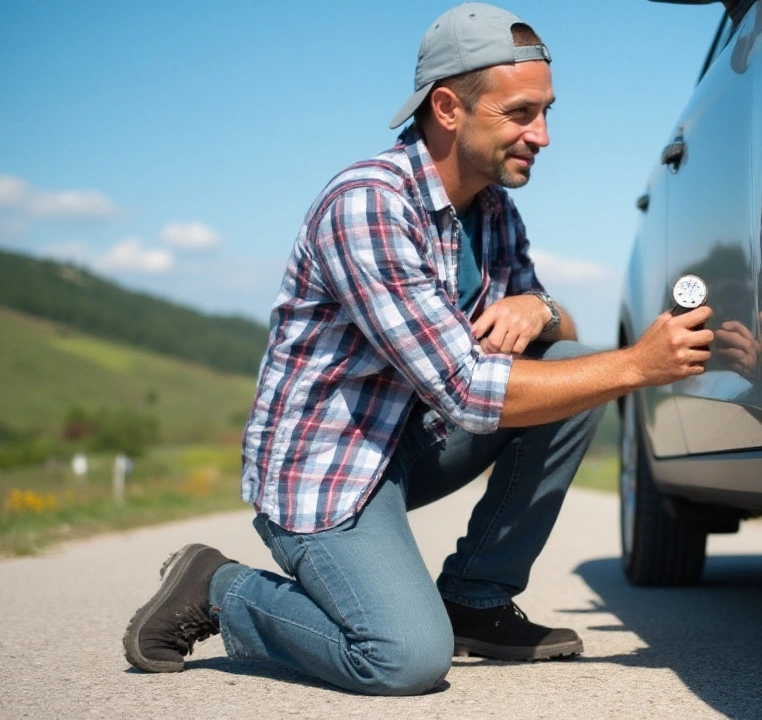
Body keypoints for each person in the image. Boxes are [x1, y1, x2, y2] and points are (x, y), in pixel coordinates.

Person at [121, 2, 713, 697]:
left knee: (570, 367)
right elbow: (468, 389)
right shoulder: (367, 205)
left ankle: (475, 600)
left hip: (412, 442)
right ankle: (220, 588)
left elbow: (553, 337)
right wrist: (637, 365)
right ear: (447, 107)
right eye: (522, 113)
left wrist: (540, 306)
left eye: (548, 111)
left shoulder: (493, 209)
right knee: (403, 658)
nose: (543, 135)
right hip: (329, 471)